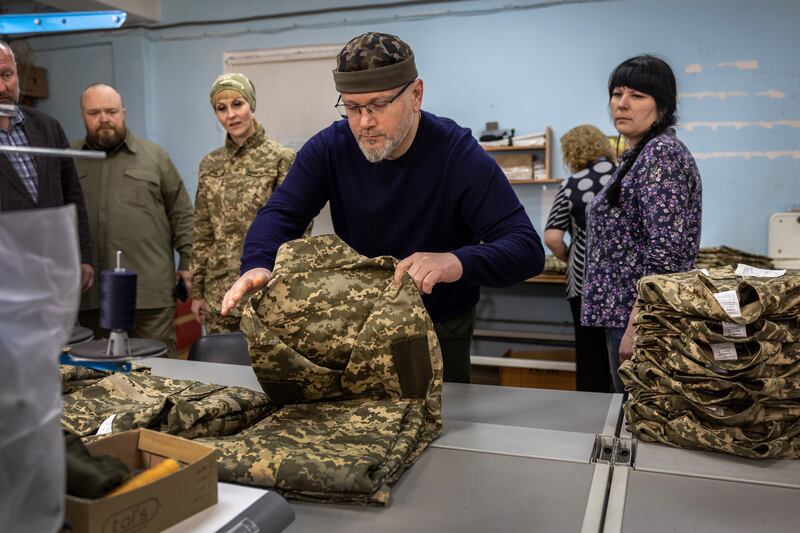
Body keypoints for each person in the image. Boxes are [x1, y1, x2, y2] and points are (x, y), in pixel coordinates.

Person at [221, 32, 545, 383]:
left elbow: (525, 248)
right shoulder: (331, 147)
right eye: (353, 107)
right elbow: (281, 213)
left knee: (444, 423)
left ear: (416, 94)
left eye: (378, 105)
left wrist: (455, 261)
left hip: (438, 324)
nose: (364, 122)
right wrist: (258, 262)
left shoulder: (456, 153)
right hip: (360, 324)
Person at [581, 55, 702, 393]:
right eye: (617, 93)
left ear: (661, 108)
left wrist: (639, 325)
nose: (622, 104)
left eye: (637, 96)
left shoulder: (661, 155)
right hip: (623, 315)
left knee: (641, 420)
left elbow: (665, 251)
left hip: (638, 319)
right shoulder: (637, 155)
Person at [73, 83, 194, 358]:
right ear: (83, 115)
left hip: (149, 293)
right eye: (94, 112)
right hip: (90, 297)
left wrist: (187, 264)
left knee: (160, 373)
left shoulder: (154, 157)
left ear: (123, 112)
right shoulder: (70, 160)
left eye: (111, 111)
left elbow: (183, 213)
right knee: (95, 378)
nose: (104, 118)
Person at [190, 73, 296, 334]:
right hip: (219, 293)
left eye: (238, 104)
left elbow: (295, 231)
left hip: (265, 291)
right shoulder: (210, 164)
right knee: (219, 369)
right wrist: (197, 291)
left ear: (251, 105)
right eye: (221, 108)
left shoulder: (280, 159)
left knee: (264, 371)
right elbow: (202, 231)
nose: (231, 115)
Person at [0, 41, 94, 291]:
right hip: (7, 279)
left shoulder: (47, 126)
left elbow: (73, 195)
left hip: (55, 270)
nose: (2, 87)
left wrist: (84, 256)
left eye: (6, 75)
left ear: (16, 73)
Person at [544, 125, 616, 393]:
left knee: (589, 351)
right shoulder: (626, 176)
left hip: (583, 279)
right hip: (626, 283)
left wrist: (568, 258)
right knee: (627, 350)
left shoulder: (572, 184)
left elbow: (552, 237)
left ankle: (592, 413)